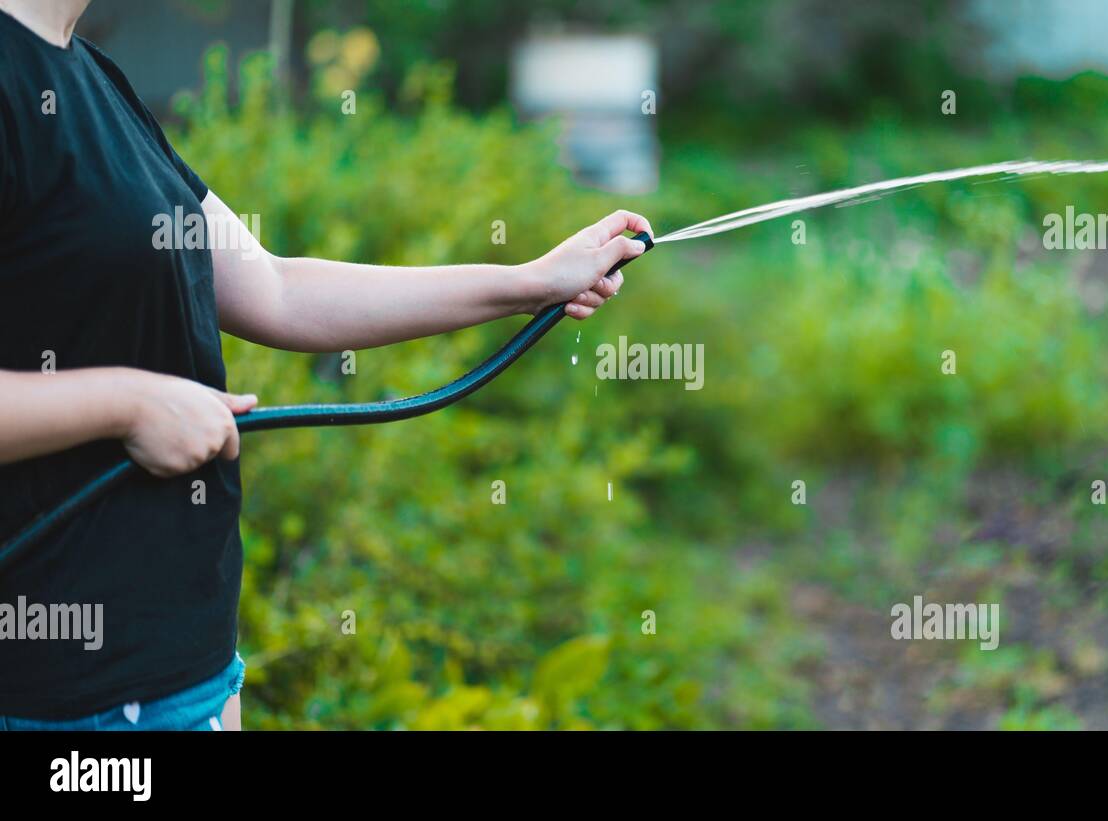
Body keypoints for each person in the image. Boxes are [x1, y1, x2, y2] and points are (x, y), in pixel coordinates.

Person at [0, 0, 651, 730]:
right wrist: (126, 403)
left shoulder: (92, 78)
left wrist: (532, 280)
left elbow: (277, 289)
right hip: (61, 700)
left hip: (184, 668)